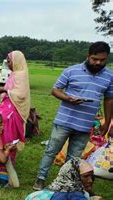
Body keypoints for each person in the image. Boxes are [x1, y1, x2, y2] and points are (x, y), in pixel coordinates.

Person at [33, 41, 113, 190]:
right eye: (94, 59)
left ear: (107, 58)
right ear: (88, 56)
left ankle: (63, 182)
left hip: (85, 124)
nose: (98, 62)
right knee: (51, 150)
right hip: (64, 120)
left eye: (102, 60)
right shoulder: (72, 70)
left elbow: (109, 99)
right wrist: (68, 98)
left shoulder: (109, 76)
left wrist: (107, 122)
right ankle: (40, 178)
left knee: (74, 158)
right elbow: (55, 90)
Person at [0, 51, 31, 160]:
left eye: (9, 61)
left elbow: (21, 94)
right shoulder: (14, 74)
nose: (8, 64)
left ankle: (7, 160)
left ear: (16, 62)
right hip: (5, 110)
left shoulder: (21, 75)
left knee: (9, 137)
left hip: (13, 113)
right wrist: (5, 91)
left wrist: (5, 90)